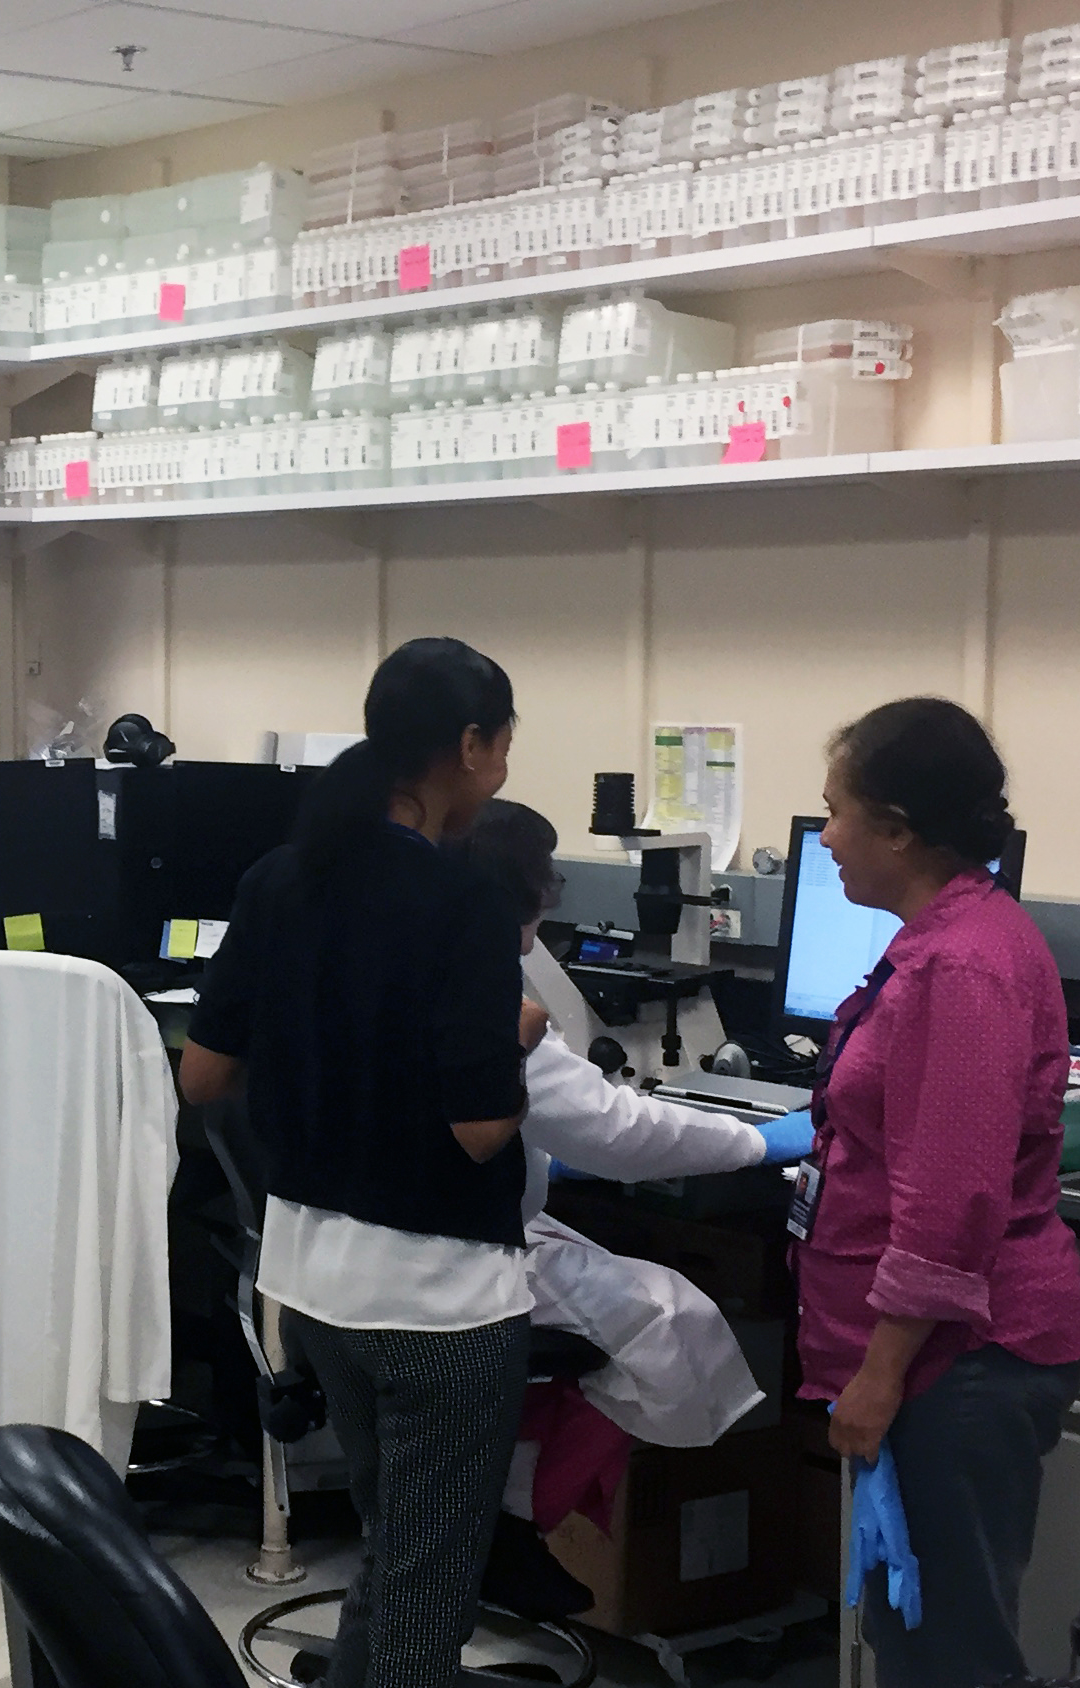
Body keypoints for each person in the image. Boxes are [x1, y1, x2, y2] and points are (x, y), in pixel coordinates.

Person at [177, 637, 535, 1688]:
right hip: (438, 1302)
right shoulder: (463, 899)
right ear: (468, 746)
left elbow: (203, 1077)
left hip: (311, 1284)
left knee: (393, 1555)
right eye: (503, 748)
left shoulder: (278, 877)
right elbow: (480, 1130)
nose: (502, 770)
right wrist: (519, 1036)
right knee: (427, 1602)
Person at [791, 697, 1080, 1688]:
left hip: (961, 1359)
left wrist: (877, 1375)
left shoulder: (964, 966)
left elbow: (952, 1203)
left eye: (836, 811)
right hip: (940, 1356)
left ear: (897, 829)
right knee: (914, 1631)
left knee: (949, 1649)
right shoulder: (940, 938)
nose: (824, 835)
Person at [456, 799, 820, 1618]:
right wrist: (759, 1143)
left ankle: (508, 1520)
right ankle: (514, 1525)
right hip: (471, 1255)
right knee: (674, 1323)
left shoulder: (399, 961)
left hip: (380, 1256)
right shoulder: (483, 991)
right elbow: (614, 1129)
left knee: (619, 1315)